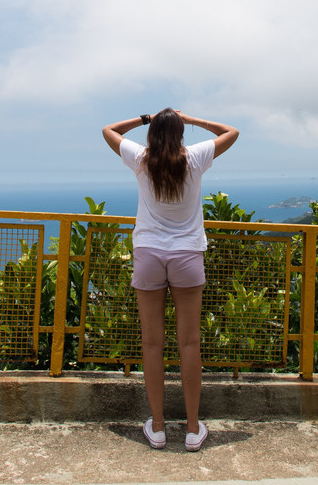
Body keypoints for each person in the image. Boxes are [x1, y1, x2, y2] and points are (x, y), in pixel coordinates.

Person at [102, 109, 239, 452]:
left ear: (152, 134)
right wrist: (191, 119)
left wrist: (144, 119)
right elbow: (231, 132)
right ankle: (192, 429)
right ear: (180, 133)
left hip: (149, 253)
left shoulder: (141, 158)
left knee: (152, 344)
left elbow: (108, 130)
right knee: (189, 344)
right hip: (187, 255)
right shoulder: (195, 157)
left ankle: (159, 427)